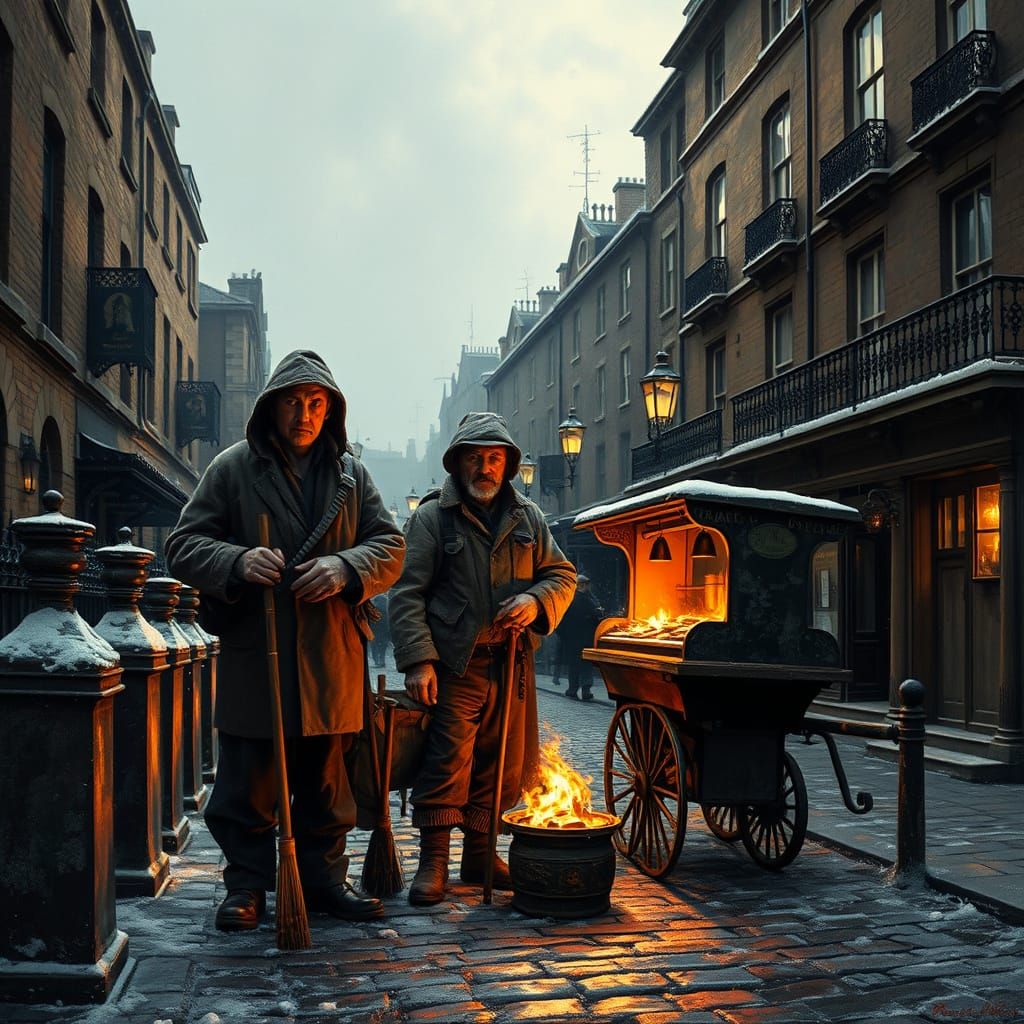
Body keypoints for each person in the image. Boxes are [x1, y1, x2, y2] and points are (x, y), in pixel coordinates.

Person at [166, 350, 405, 931]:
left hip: (329, 655)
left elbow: (392, 546)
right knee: (248, 783)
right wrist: (238, 559)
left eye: (317, 403)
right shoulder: (231, 469)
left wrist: (347, 568)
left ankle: (324, 880)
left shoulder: (354, 476)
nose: (305, 413)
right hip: (260, 653)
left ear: (331, 411)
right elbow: (183, 546)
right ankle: (246, 886)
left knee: (327, 785)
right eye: (295, 402)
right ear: (272, 408)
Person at [389, 412, 576, 905]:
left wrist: (537, 601)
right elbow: (408, 593)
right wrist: (418, 661)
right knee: (448, 760)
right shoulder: (432, 517)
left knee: (500, 764)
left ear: (508, 464)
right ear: (458, 463)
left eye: (495, 458)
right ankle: (433, 863)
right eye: (476, 457)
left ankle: (479, 854)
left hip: (512, 663)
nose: (485, 467)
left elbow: (562, 575)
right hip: (456, 663)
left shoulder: (529, 518)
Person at [556, 573, 604, 700]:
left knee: (576, 664)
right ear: (582, 585)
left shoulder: (573, 598)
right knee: (583, 664)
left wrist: (563, 635)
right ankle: (583, 690)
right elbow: (597, 614)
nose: (589, 586)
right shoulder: (586, 598)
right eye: (586, 584)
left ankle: (574, 689)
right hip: (580, 637)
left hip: (574, 638)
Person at [369, 592, 391, 668]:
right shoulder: (388, 611)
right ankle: (382, 661)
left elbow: (370, 622)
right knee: (383, 649)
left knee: (374, 647)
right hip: (384, 634)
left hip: (375, 633)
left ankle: (377, 661)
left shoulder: (374, 610)